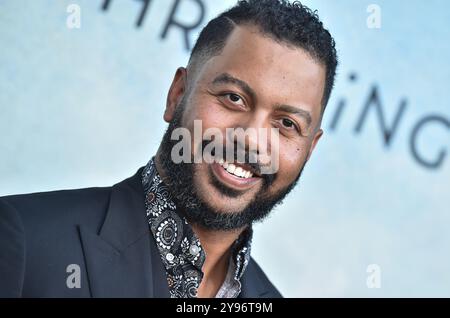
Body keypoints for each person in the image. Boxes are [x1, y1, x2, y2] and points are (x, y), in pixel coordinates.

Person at [0, 0, 337, 298]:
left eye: (287, 124)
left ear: (309, 149)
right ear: (178, 94)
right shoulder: (25, 242)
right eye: (233, 98)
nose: (250, 139)